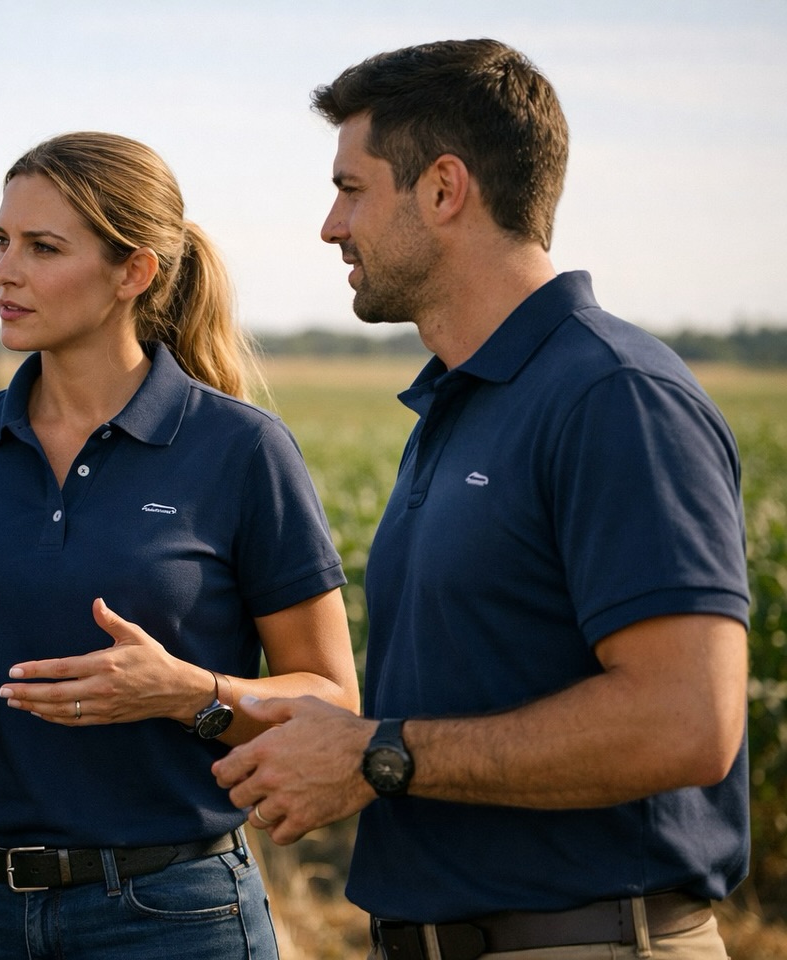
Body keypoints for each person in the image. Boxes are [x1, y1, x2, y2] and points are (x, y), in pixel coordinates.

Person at [213, 38, 750, 960]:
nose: (330, 226)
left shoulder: (612, 395)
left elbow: (688, 721)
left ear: (443, 189)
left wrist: (377, 755)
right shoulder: (460, 401)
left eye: (351, 188)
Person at [0, 131, 358, 959]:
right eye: (1, 240)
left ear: (134, 272)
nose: (4, 269)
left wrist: (185, 692)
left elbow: (334, 703)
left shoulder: (241, 450)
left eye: (42, 247)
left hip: (171, 914)